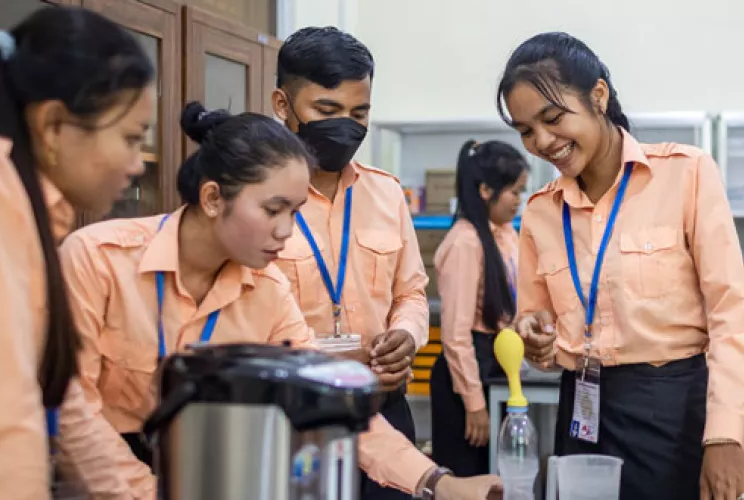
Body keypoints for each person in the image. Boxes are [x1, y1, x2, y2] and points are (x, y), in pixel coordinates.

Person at [59, 102, 504, 500]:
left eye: (294, 212)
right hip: (102, 478)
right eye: (273, 210)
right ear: (213, 198)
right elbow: (71, 407)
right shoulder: (99, 260)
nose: (286, 231)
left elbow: (327, 399)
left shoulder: (267, 290)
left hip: (217, 475)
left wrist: (437, 482)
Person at [496, 31, 744, 499]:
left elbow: (733, 314)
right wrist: (535, 336)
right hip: (582, 409)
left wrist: (726, 435)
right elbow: (537, 330)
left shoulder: (685, 175)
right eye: (526, 130)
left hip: (671, 409)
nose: (543, 141)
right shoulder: (541, 212)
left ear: (598, 96)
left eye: (552, 118)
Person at [0, 6, 156, 499]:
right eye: (129, 138)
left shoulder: (20, 198)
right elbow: (2, 414)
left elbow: (59, 395)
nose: (136, 164)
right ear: (53, 124)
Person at [271, 26, 430, 500]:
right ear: (284, 106)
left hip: (384, 408)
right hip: (293, 420)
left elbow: (411, 292)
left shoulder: (386, 193)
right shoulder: (258, 200)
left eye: (359, 113)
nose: (346, 125)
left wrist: (408, 334)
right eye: (327, 111)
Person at [430, 140, 528, 477]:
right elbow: (456, 335)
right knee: (468, 477)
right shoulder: (465, 242)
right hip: (466, 374)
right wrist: (474, 404)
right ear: (486, 190)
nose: (519, 200)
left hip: (494, 365)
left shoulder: (504, 235)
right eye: (514, 192)